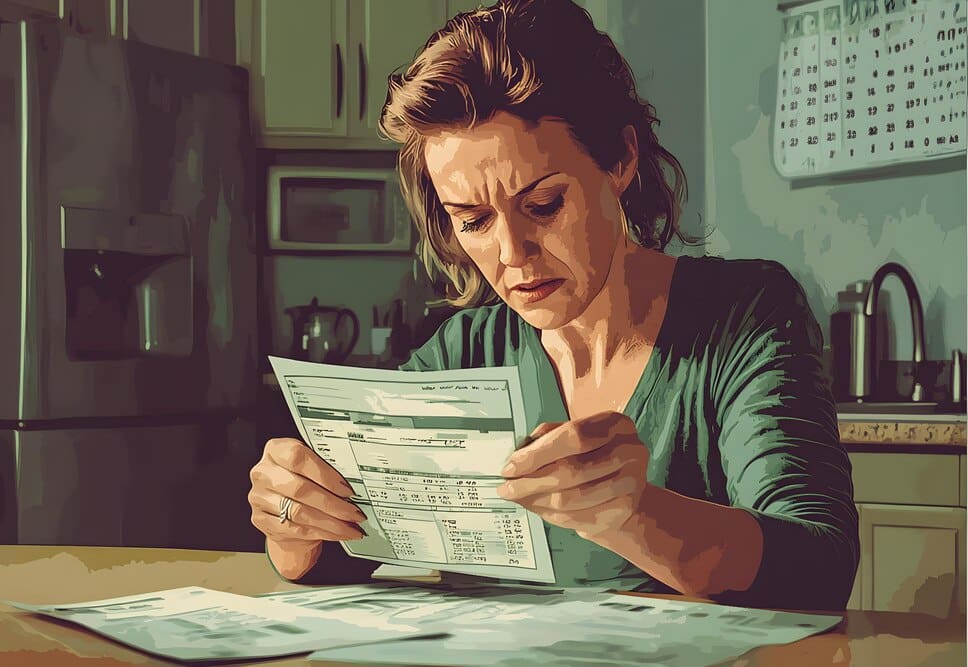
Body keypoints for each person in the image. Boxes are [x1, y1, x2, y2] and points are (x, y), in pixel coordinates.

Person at [247, 0, 859, 612]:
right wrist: (294, 524)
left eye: (543, 205)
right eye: (475, 220)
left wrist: (637, 516)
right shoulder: (463, 354)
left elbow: (819, 563)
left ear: (620, 160)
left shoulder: (743, 315)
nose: (512, 253)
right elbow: (346, 548)